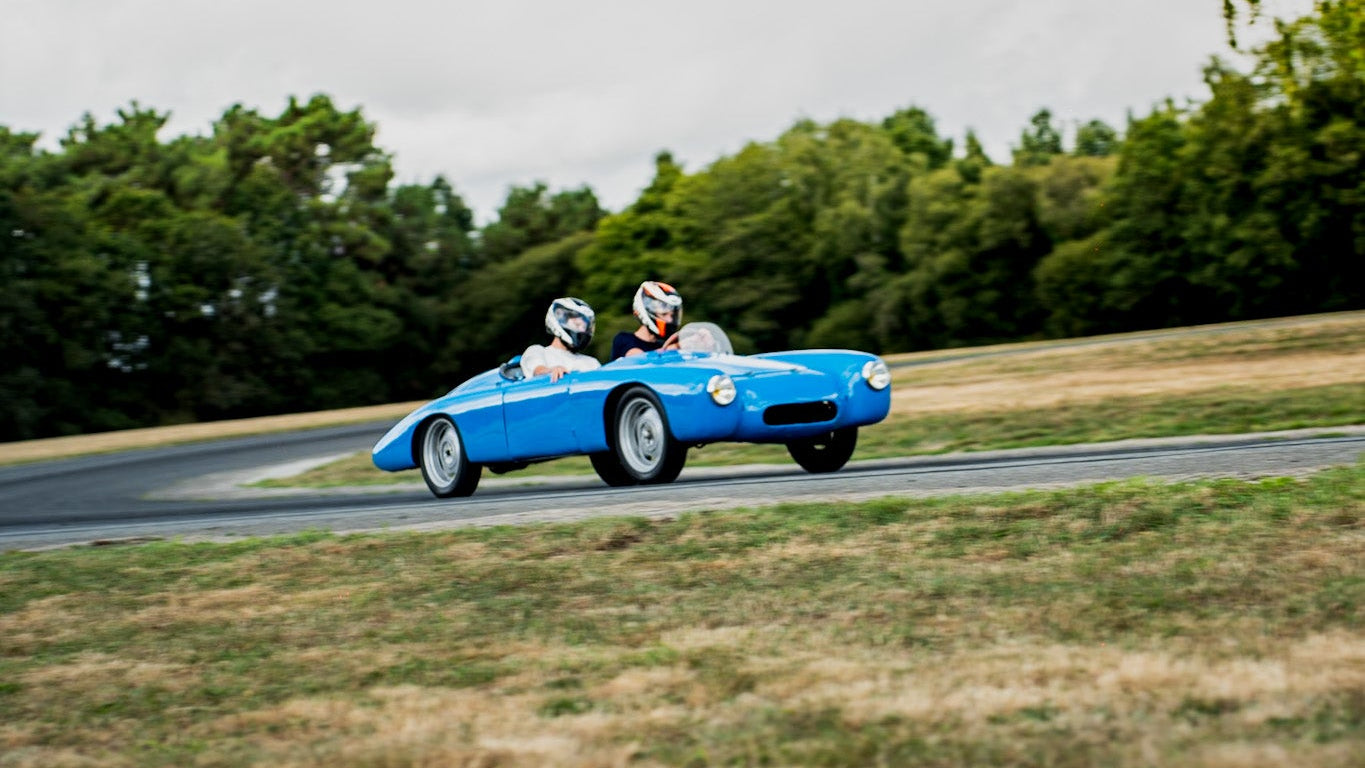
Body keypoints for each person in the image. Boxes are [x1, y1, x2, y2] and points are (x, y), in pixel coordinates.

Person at [521, 297, 601, 382]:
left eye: (584, 327)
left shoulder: (592, 363)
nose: (582, 330)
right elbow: (538, 371)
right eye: (577, 324)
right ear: (561, 320)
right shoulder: (537, 351)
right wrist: (551, 371)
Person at [610, 280, 683, 360]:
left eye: (672, 315)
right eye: (664, 314)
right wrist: (676, 346)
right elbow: (639, 360)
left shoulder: (663, 345)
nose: (670, 320)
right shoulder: (624, 339)